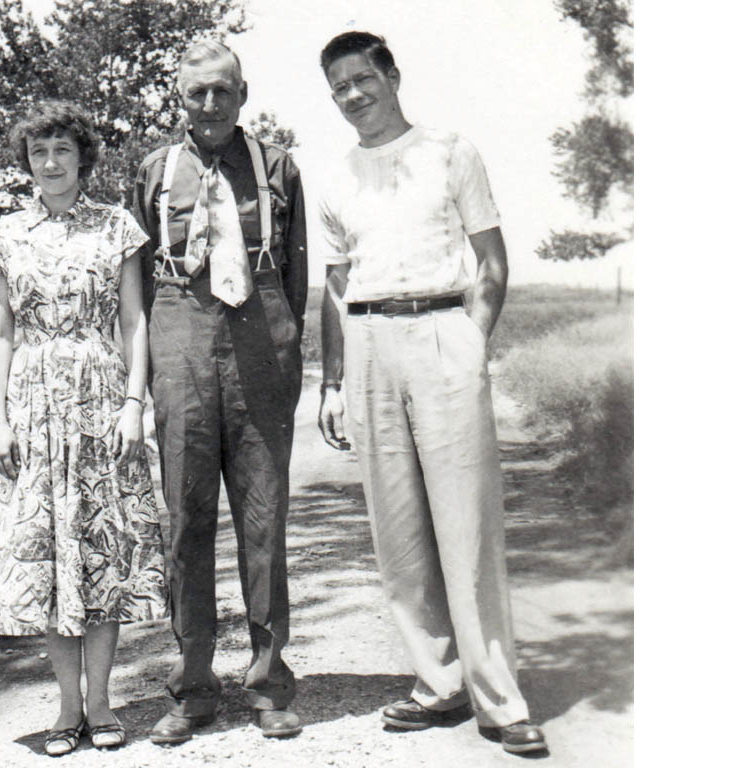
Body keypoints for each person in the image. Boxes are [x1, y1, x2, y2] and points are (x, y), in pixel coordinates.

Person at [315, 32, 548, 755]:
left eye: (363, 79)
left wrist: (471, 344)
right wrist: (331, 379)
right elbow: (335, 284)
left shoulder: (452, 151)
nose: (353, 95)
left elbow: (492, 260)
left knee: (467, 525)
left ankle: (499, 697)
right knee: (400, 531)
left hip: (444, 331)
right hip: (369, 346)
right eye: (339, 87)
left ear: (391, 76)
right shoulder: (337, 177)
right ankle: (437, 683)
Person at [0, 100, 167, 756]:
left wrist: (134, 405)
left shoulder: (117, 227)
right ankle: (66, 708)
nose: (50, 164)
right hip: (31, 406)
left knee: (101, 554)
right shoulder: (5, 236)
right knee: (54, 563)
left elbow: (135, 321)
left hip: (99, 401)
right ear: (27, 162)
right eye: (38, 153)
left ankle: (104, 705)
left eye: (62, 151)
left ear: (83, 158)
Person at [131, 40, 307, 744]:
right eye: (197, 92)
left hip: (261, 342)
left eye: (222, 91)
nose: (210, 104)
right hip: (182, 334)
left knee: (264, 522)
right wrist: (144, 381)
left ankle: (268, 684)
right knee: (187, 521)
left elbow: (295, 273)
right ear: (180, 96)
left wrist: (289, 353)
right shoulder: (154, 171)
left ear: (243, 93)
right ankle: (193, 687)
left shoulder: (277, 166)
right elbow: (137, 281)